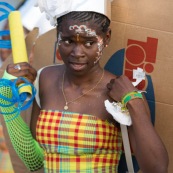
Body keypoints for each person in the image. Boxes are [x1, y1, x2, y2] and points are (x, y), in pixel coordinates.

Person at [0, 0, 169, 172]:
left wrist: (133, 101)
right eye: (68, 41)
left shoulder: (119, 92)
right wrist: (5, 97)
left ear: (106, 38)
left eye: (89, 43)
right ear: (58, 34)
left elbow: (157, 168)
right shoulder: (45, 78)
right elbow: (33, 160)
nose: (77, 53)